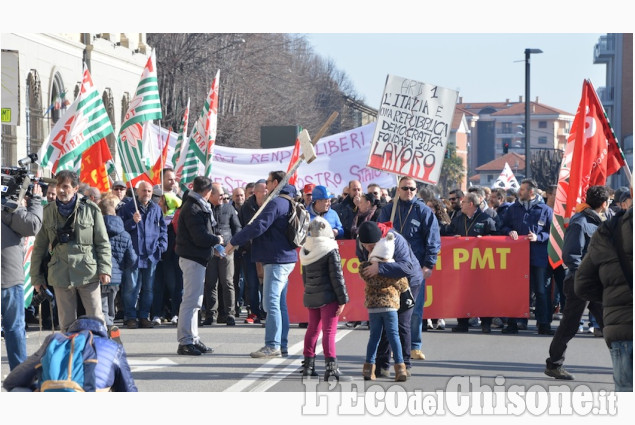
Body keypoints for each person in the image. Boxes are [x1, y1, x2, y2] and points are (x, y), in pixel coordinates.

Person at [226, 170, 298, 359]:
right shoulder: (288, 200)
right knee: (279, 303)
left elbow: (258, 226)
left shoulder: (276, 202)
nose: (266, 186)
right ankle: (281, 344)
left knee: (270, 303)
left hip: (276, 259)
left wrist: (234, 241)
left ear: (275, 182)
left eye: (268, 182)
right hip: (284, 257)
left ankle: (272, 345)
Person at [31, 170, 111, 333]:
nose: (61, 190)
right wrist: (36, 278)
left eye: (66, 186)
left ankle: (98, 354)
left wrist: (105, 269)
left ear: (75, 188)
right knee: (66, 324)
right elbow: (39, 248)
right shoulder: (48, 212)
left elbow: (102, 242)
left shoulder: (91, 209)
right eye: (58, 186)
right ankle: (70, 356)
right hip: (61, 274)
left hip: (88, 273)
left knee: (96, 319)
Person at [544, 185, 609, 380]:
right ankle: (554, 365)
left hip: (597, 282)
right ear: (604, 203)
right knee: (569, 325)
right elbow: (571, 255)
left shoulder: (602, 221)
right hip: (580, 283)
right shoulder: (580, 222)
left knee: (611, 323)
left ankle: (626, 362)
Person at [377, 176, 440, 366]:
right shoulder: (388, 210)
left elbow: (433, 239)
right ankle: (388, 352)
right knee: (389, 310)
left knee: (413, 310)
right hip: (391, 268)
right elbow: (380, 234)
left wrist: (428, 264)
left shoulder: (423, 211)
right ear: (398, 189)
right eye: (405, 188)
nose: (409, 191)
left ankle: (414, 345)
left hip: (414, 270)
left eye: (412, 188)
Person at [575, 198, 632, 392]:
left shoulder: (609, 229)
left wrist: (613, 297)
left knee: (626, 392)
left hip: (622, 328)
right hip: (622, 327)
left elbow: (583, 284)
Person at [356, 220, 424, 378]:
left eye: (372, 246)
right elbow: (363, 261)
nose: (369, 249)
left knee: (400, 324)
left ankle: (404, 366)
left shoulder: (395, 240)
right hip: (381, 286)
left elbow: (407, 267)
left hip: (408, 281)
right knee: (381, 327)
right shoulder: (362, 241)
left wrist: (380, 268)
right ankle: (382, 365)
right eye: (366, 246)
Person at [2, 316, 137, 392]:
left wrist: (39, 387)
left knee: (18, 391)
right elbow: (128, 389)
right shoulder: (113, 346)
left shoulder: (55, 340)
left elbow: (11, 382)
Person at [175, 176, 222, 355]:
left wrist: (213, 246)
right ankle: (185, 341)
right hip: (192, 258)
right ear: (207, 191)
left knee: (195, 301)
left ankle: (193, 338)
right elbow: (200, 237)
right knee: (190, 301)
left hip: (196, 258)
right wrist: (217, 240)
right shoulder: (194, 207)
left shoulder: (197, 205)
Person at [500, 178, 554, 335]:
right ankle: (513, 323)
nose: (519, 191)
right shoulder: (513, 209)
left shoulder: (545, 210)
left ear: (531, 192)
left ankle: (544, 324)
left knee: (541, 291)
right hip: (517, 258)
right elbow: (502, 225)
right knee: (516, 290)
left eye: (522, 189)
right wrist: (509, 231)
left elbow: (553, 233)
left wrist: (539, 237)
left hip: (539, 257)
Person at [299, 217, 349, 381]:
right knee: (329, 331)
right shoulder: (330, 249)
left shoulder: (306, 250)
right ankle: (331, 368)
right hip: (329, 296)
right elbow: (337, 276)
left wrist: (309, 292)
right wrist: (342, 299)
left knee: (313, 329)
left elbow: (305, 277)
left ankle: (308, 366)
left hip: (312, 294)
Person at [2, 183, 43, 370]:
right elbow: (32, 225)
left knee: (15, 328)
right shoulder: (7, 207)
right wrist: (35, 200)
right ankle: (19, 375)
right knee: (14, 329)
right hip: (8, 278)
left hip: (8, 276)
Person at [117, 180, 167, 329]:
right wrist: (132, 222)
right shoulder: (127, 208)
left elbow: (163, 229)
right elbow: (119, 228)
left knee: (149, 288)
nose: (147, 194)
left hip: (151, 254)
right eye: (144, 191)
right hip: (133, 254)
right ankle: (131, 316)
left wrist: (162, 246)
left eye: (149, 191)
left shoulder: (156, 209)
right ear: (137, 192)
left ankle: (144, 316)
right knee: (131, 287)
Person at [447, 192, 497, 333]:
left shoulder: (486, 219)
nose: (460, 204)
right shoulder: (457, 219)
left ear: (470, 204)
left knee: (483, 293)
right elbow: (448, 232)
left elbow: (496, 235)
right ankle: (462, 323)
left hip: (482, 263)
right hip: (462, 264)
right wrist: (452, 238)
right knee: (462, 293)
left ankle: (485, 323)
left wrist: (485, 238)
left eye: (463, 202)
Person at [98, 193, 137, 340]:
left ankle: (106, 329)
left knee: (102, 307)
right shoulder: (124, 234)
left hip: (100, 273)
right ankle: (111, 325)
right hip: (116, 276)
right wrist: (121, 267)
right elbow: (132, 258)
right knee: (111, 303)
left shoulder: (96, 230)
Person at [203, 182, 242, 326]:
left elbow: (237, 228)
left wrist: (232, 247)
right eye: (219, 195)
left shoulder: (229, 208)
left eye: (224, 195)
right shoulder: (205, 209)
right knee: (210, 283)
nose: (222, 197)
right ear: (211, 195)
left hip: (227, 251)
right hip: (210, 251)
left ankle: (229, 314)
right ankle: (210, 314)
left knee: (227, 282)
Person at [237, 179, 267, 324]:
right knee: (252, 283)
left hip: (267, 251)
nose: (266, 193)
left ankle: (267, 311)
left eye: (267, 190)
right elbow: (240, 228)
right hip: (250, 251)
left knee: (267, 283)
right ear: (255, 193)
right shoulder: (247, 207)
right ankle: (254, 311)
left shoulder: (271, 205)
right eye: (263, 191)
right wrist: (243, 247)